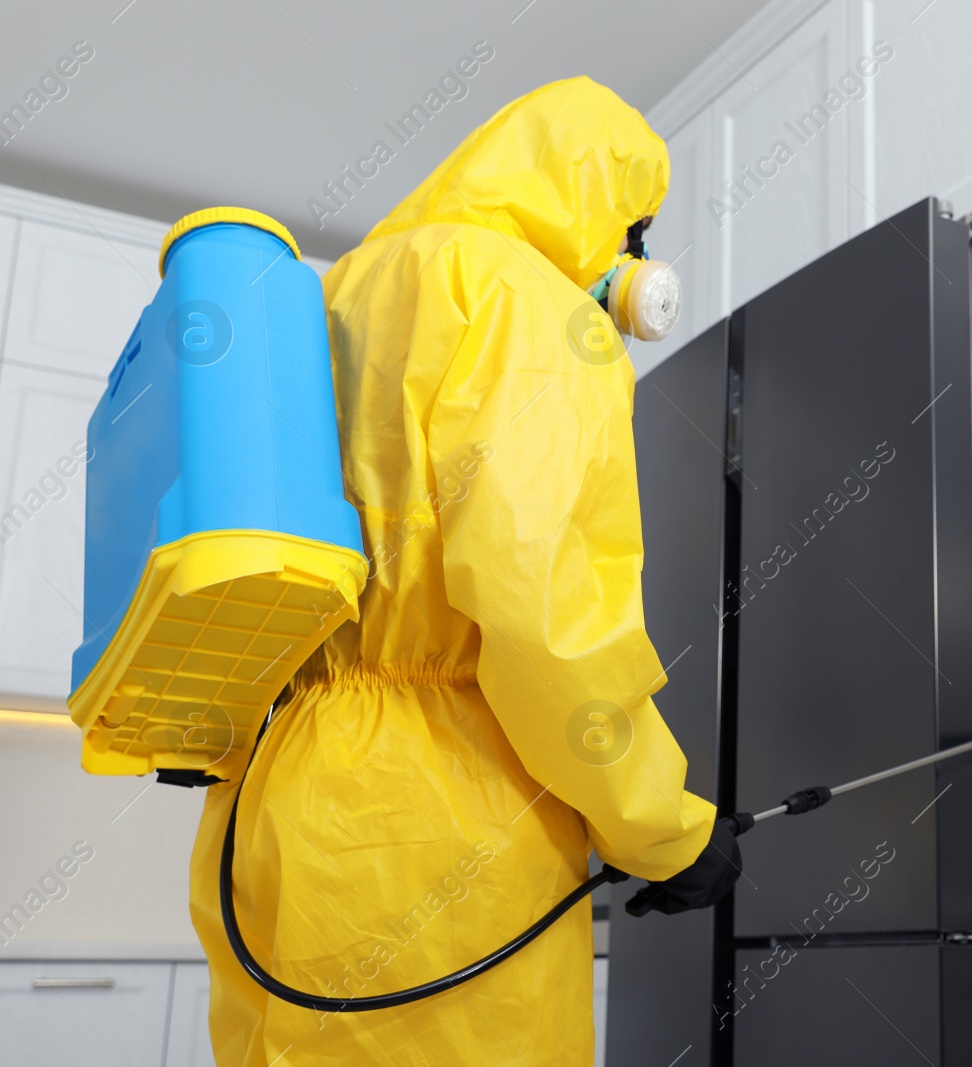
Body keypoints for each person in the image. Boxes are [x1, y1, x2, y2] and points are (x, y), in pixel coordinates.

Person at [188, 77, 738, 1066]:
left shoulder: (334, 294)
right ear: (598, 198)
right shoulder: (527, 304)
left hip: (271, 791)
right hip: (435, 820)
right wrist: (666, 830)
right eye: (636, 222)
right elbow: (542, 611)